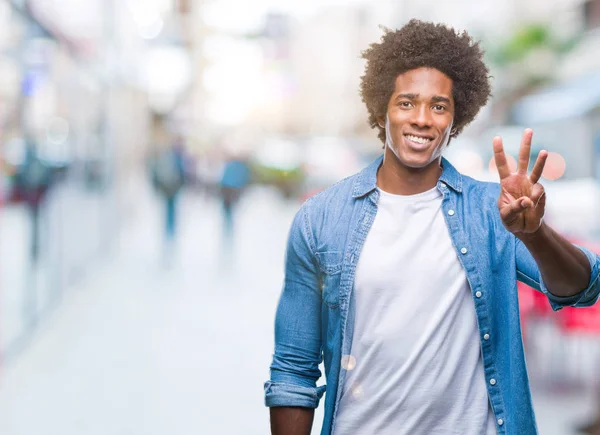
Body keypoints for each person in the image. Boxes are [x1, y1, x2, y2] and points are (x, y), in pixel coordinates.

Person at [265, 19, 600, 435]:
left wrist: (534, 232)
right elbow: (293, 370)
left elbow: (583, 288)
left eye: (439, 106)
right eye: (407, 102)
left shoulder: (491, 212)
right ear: (381, 108)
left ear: (455, 118)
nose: (422, 119)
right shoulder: (321, 220)